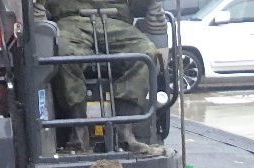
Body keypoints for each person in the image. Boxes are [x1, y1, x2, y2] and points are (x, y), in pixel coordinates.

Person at [38, 0, 165, 155]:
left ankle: (124, 135)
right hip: (70, 21)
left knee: (145, 52)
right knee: (63, 53)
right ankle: (79, 136)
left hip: (116, 22)